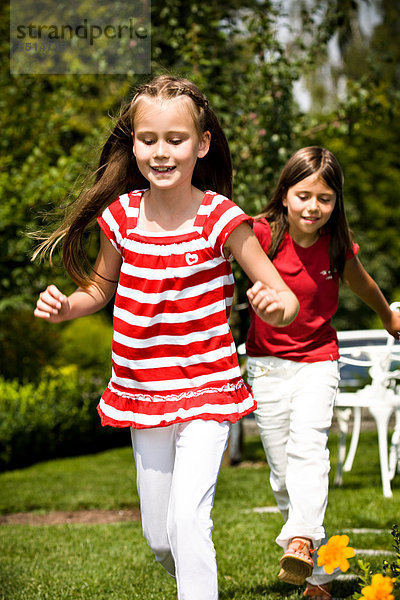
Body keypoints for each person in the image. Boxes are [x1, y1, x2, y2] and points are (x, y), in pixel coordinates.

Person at [33, 75, 299, 600]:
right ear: (132, 144)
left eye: (175, 140)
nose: (160, 152)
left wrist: (277, 306)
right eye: (147, 139)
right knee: (159, 535)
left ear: (200, 145)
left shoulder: (221, 218)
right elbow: (100, 289)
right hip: (143, 387)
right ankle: (195, 582)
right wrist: (68, 306)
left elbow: (281, 293)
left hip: (207, 387)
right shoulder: (123, 217)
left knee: (187, 519)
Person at [245, 146, 400, 600]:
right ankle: (319, 577)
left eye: (325, 198)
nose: (313, 207)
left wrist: (388, 316)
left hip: (318, 360)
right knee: (280, 473)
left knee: (308, 449)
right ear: (285, 194)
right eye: (304, 195)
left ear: (337, 202)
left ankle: (300, 540)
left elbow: (363, 283)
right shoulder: (260, 234)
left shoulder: (336, 244)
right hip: (267, 366)